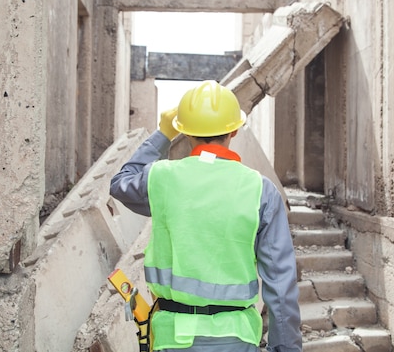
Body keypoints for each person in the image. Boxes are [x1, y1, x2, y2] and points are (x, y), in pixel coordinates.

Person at [110, 80, 302, 352]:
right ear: (234, 129)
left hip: (173, 339)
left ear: (184, 132)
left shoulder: (162, 179)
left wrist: (162, 134)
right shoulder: (260, 191)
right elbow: (281, 284)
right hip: (238, 339)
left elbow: (120, 183)